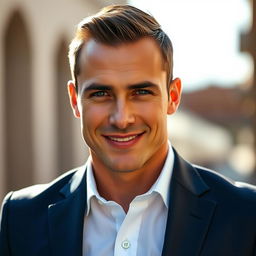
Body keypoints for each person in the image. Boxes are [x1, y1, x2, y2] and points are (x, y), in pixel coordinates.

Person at [0, 4, 256, 256]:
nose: (122, 118)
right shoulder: (19, 219)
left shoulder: (246, 215)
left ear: (173, 96)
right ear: (74, 100)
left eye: (141, 92)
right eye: (101, 93)